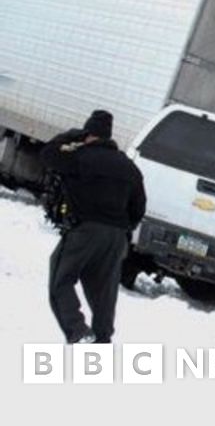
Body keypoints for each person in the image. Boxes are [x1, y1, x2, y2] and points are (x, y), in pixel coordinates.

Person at [41, 110, 146, 344]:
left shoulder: (80, 158)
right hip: (117, 237)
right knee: (104, 292)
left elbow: (48, 154)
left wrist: (70, 135)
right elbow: (139, 207)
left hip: (85, 231)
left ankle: (78, 332)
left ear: (88, 133)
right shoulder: (129, 168)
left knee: (61, 279)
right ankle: (102, 340)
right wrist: (123, 228)